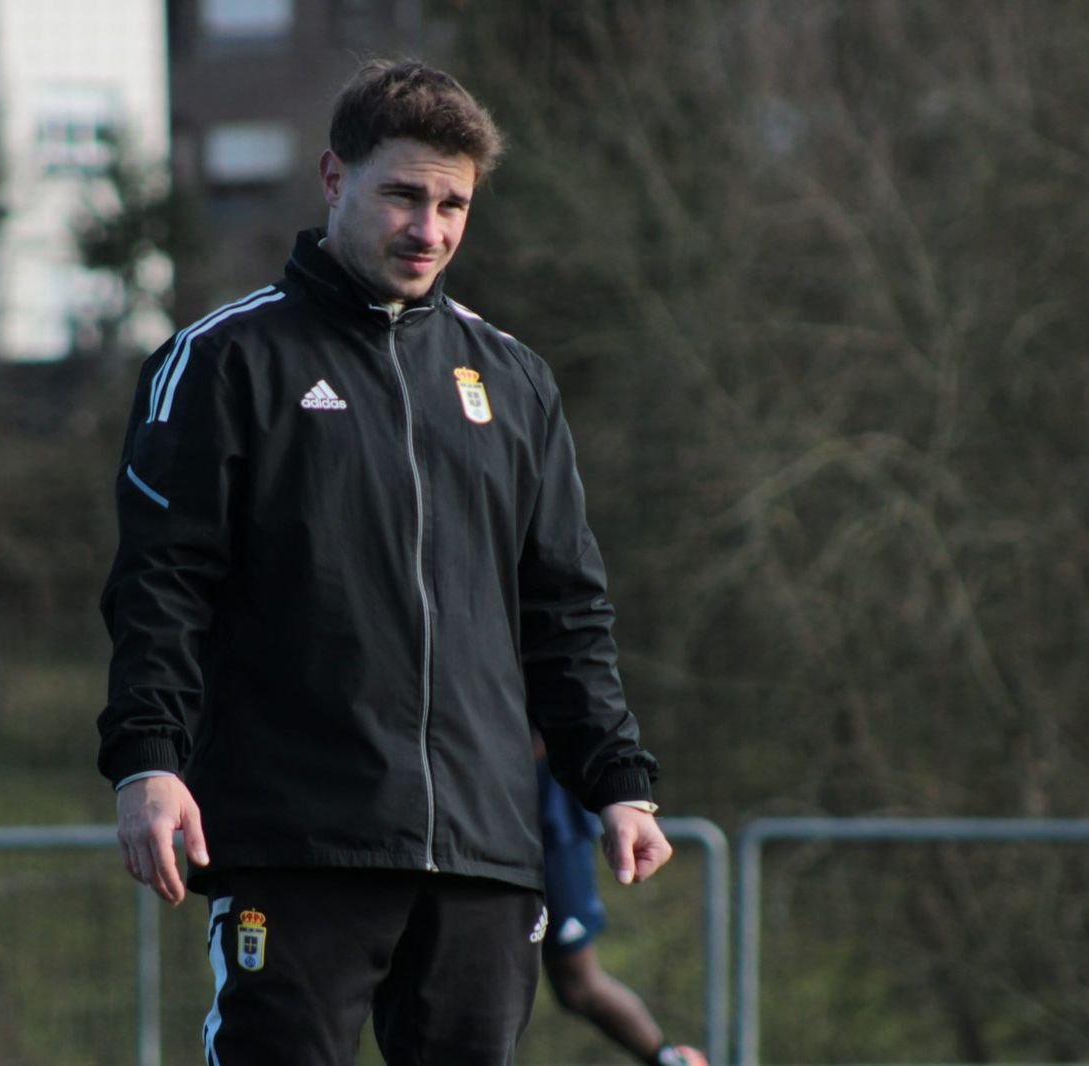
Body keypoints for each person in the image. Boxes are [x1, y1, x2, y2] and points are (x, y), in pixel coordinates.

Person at [97, 58, 673, 1065]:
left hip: (486, 855)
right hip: (298, 840)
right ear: (334, 177)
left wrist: (615, 778)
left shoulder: (514, 382)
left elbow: (565, 609)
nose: (431, 227)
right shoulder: (227, 360)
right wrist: (148, 758)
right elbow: (161, 585)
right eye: (405, 193)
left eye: (453, 203)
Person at [536, 737, 707, 1066]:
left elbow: (566, 707)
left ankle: (671, 1060)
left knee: (575, 981)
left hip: (547, 814)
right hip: (455, 818)